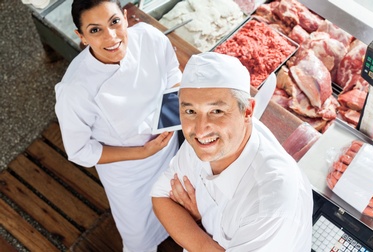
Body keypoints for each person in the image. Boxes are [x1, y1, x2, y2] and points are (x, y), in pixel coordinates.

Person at [151, 52, 314, 251]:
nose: (200, 129)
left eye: (217, 111)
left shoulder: (272, 203)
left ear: (247, 111)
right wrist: (205, 239)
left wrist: (198, 222)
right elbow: (160, 197)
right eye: (190, 111)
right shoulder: (206, 142)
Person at [54, 1, 182, 251]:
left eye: (114, 22)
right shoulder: (75, 90)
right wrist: (142, 152)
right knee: (139, 235)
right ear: (80, 36)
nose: (111, 37)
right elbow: (80, 151)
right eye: (95, 30)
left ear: (125, 17)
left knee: (182, 206)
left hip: (172, 151)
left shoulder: (149, 37)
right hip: (130, 175)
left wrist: (167, 123)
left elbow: (172, 75)